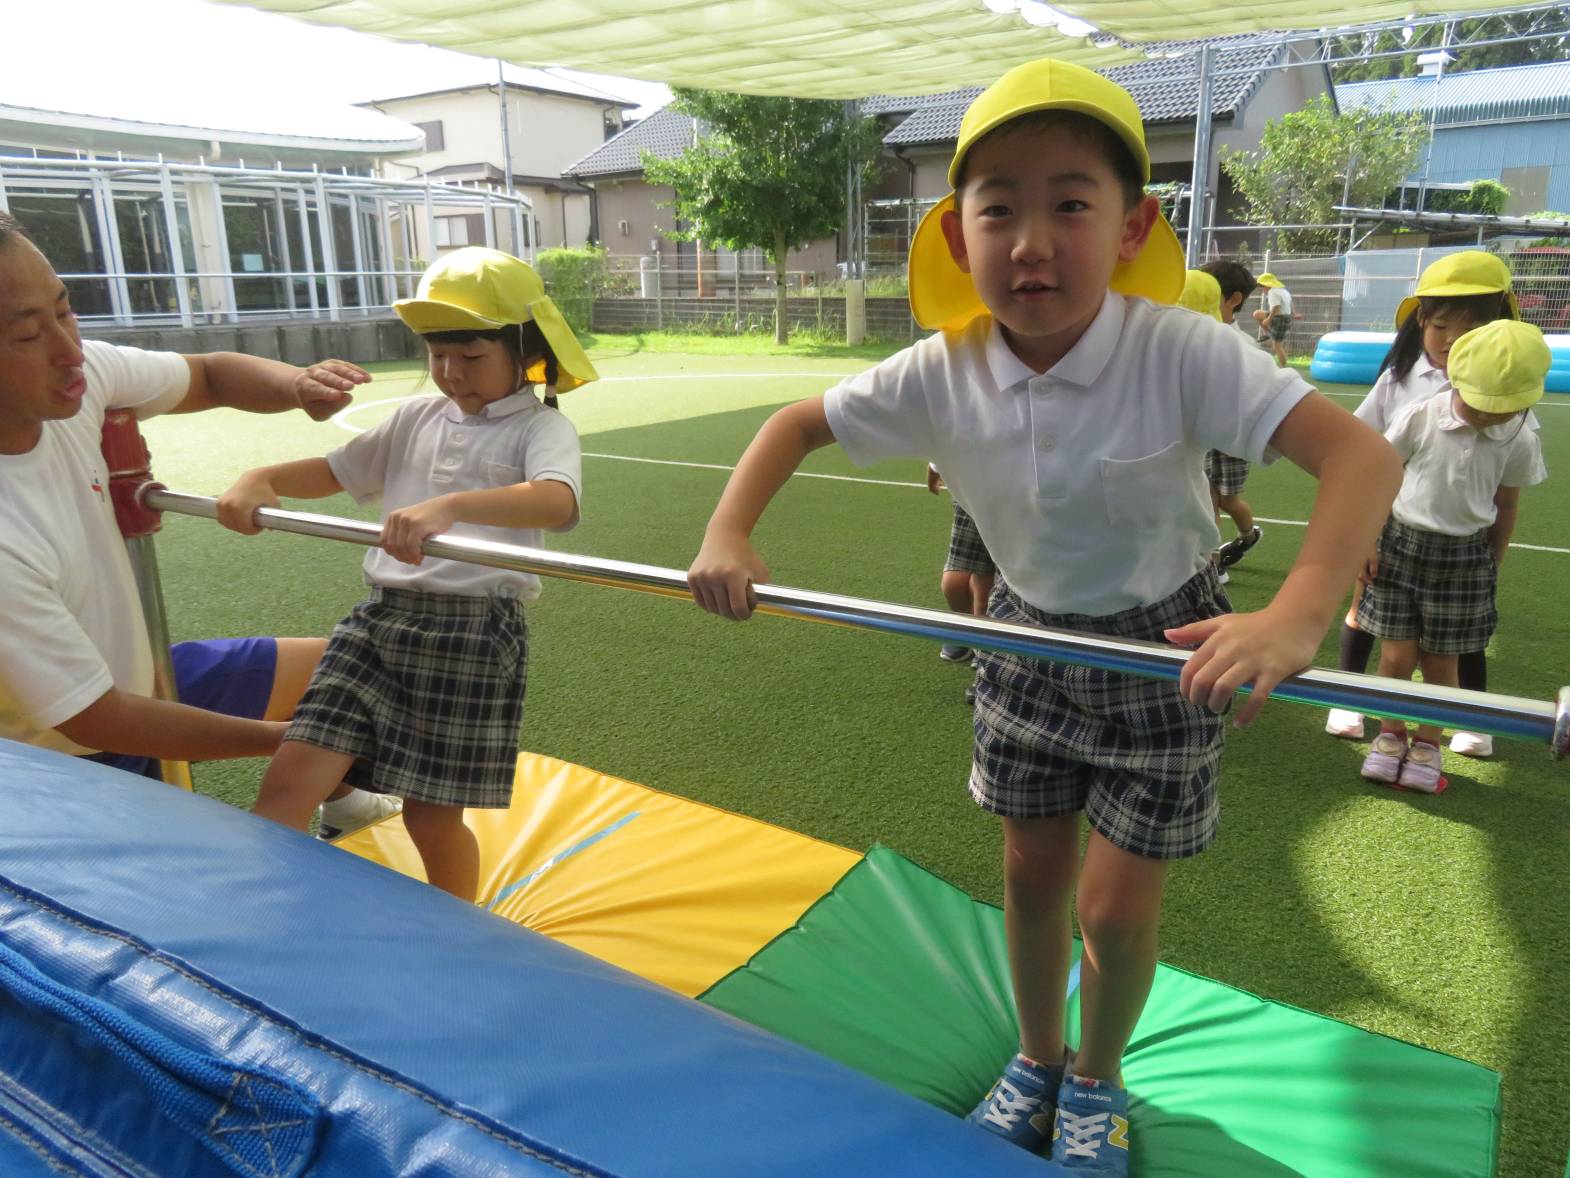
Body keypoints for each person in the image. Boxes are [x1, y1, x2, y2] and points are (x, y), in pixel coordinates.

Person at [686, 58, 1399, 1173]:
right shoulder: (941, 367)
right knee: (1028, 871)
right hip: (1024, 638)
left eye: (1071, 202)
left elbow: (1357, 454)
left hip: (1167, 646)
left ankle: (1098, 1079)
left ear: (1131, 226)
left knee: (1112, 910)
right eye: (998, 206)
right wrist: (727, 533)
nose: (1031, 238)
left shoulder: (1180, 349)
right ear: (956, 233)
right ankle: (1035, 1055)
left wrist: (1299, 614)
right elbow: (792, 424)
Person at [0, 210, 396, 839]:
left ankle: (344, 805)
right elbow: (93, 718)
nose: (68, 348)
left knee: (348, 668)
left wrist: (297, 384)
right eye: (28, 335)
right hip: (65, 768)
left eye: (65, 308)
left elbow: (209, 373)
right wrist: (288, 741)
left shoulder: (80, 378)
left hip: (145, 679)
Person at [218, 247, 594, 901]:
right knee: (292, 773)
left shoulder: (540, 427)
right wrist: (264, 478)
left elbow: (556, 500)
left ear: (522, 345)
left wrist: (451, 507)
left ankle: (459, 940)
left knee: (429, 813)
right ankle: (263, 913)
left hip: (472, 634)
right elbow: (337, 470)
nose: (450, 372)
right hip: (380, 620)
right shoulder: (415, 418)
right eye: (436, 354)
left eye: (471, 356)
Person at [1323, 250, 1523, 751]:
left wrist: (1494, 555)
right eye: (1440, 327)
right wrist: (1363, 534)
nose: (1452, 341)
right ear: (1421, 321)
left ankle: (1471, 716)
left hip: (1463, 538)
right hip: (1391, 526)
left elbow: (1508, 487)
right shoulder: (1400, 378)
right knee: (1366, 607)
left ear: (1497, 325)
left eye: (1471, 328)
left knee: (1461, 632)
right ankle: (1348, 696)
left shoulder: (1504, 389)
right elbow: (1362, 451)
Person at [1355, 319, 1548, 793]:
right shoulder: (1422, 415)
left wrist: (1493, 564)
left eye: (1502, 409)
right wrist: (1368, 540)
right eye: (1479, 404)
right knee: (1396, 656)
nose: (1486, 417)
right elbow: (1379, 475)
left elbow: (1506, 504)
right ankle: (1390, 737)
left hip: (1464, 558)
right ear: (1456, 379)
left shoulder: (1519, 435)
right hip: (1400, 548)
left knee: (1443, 664)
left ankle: (1427, 745)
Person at [1179, 269, 1262, 581]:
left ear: (1234, 300)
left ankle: (1247, 534)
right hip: (1203, 439)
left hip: (1230, 441)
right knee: (1208, 496)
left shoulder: (1241, 345)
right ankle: (1212, 561)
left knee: (1227, 499)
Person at [927, 462, 995, 704]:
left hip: (971, 488)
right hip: (998, 490)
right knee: (983, 582)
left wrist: (935, 467)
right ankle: (980, 652)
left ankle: (967, 637)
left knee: (965, 577)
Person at [1251, 272, 1298, 368]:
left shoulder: (1272, 292)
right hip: (1284, 317)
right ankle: (1267, 334)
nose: (1261, 289)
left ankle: (1283, 367)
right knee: (1257, 314)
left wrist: (1268, 319)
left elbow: (1276, 307)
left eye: (1261, 287)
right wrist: (1294, 314)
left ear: (1266, 285)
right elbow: (1290, 303)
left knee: (1277, 346)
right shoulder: (1283, 291)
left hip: (1279, 318)